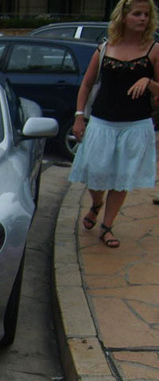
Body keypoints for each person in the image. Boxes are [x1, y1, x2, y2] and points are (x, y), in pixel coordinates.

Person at [69, 0, 158, 248]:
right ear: (124, 16)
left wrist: (148, 82)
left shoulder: (154, 50)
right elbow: (86, 84)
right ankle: (96, 203)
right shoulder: (106, 48)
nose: (142, 18)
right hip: (102, 122)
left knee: (121, 178)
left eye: (146, 14)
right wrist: (79, 116)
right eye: (137, 14)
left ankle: (107, 226)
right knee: (96, 174)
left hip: (136, 125)